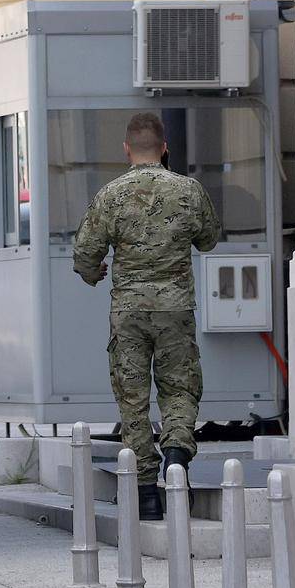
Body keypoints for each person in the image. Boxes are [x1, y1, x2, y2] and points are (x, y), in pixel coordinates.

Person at [71, 113, 219, 522]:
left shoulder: (111, 195)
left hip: (129, 312)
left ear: (126, 149)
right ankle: (176, 461)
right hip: (175, 310)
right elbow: (209, 239)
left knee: (133, 401)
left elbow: (85, 254)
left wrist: (94, 274)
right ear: (164, 147)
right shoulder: (188, 190)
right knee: (179, 389)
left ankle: (145, 493)